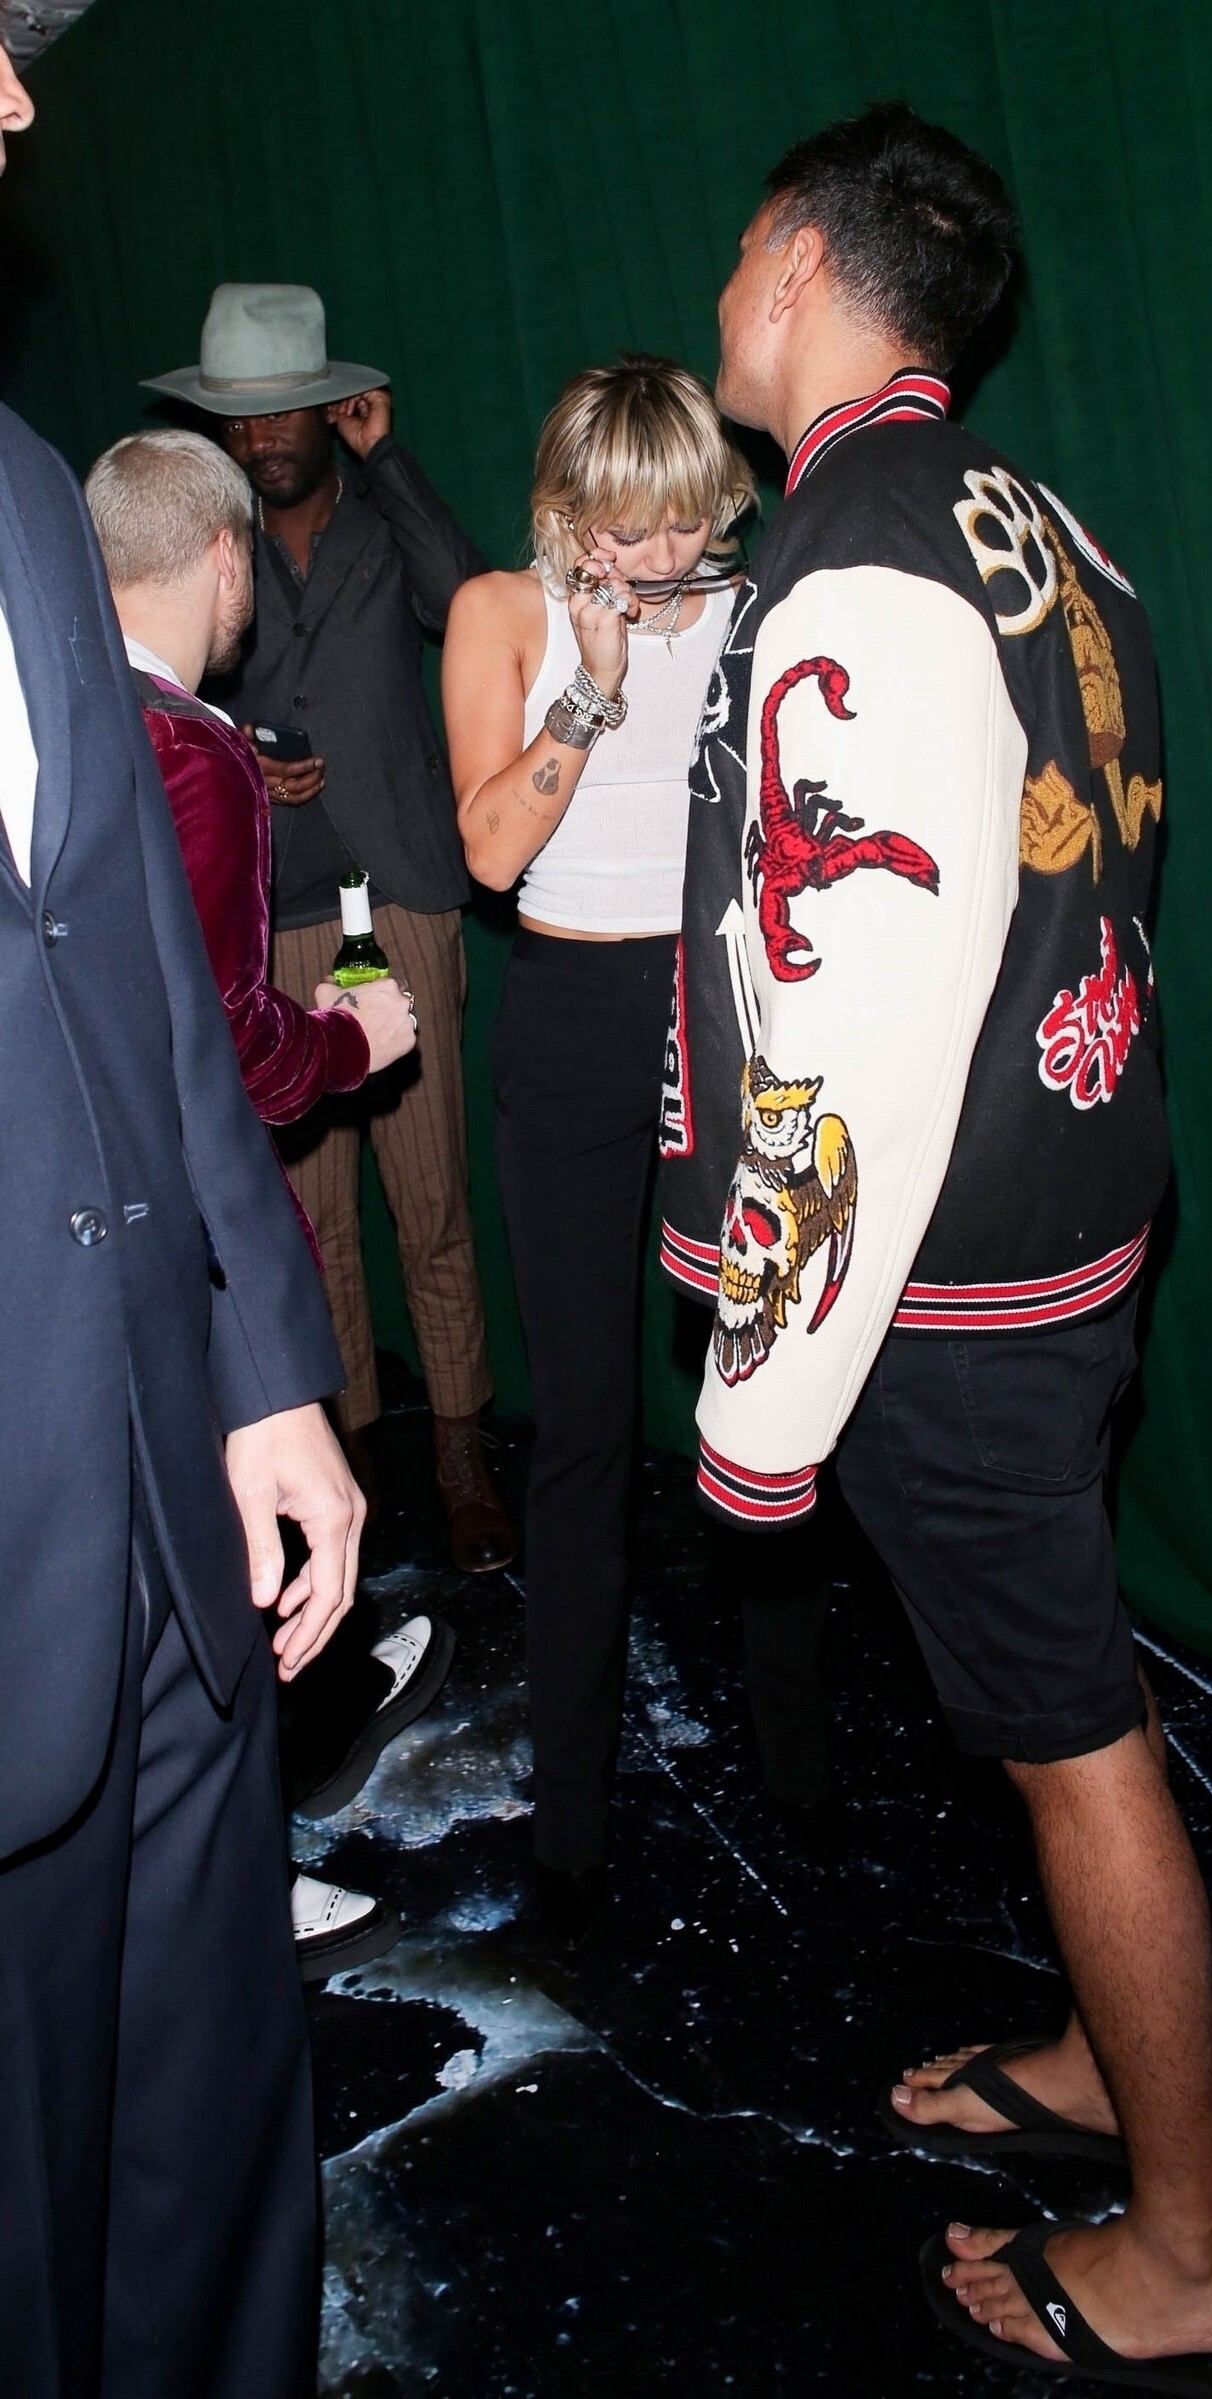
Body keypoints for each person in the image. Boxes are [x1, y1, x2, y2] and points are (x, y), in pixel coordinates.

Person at [660, 105, 1212, 2389]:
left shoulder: (856, 555)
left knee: (1067, 1739)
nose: (722, 294)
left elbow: (856, 1021)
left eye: (741, 253)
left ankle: (1193, 2253)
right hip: (1066, 1213)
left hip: (943, 1281)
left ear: (801, 264)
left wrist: (759, 1400)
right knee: (1057, 1690)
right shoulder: (1039, 525)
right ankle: (1103, 2058)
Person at [0, 47, 361, 2399]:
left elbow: (125, 960)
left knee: (208, 2160)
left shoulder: (26, 489)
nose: (19, 110)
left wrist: (262, 1372)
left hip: (162, 1514)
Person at [86, 425, 457, 1982]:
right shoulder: (192, 753)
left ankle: (302, 1732)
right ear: (225, 555)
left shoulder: (65, 719)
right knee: (219, 1547)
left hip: (71, 1243)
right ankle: (244, 1875)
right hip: (170, 1241)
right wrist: (355, 1039)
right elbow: (225, 1054)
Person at [442, 358, 774, 1931]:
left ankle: (798, 1755)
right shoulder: (500, 613)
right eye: (623, 528)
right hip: (573, 1014)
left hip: (726, 1008)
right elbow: (489, 856)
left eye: (684, 521)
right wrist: (592, 683)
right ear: (566, 511)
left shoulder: (755, 609)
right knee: (582, 1419)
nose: (656, 557)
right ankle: (571, 1809)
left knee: (764, 1389)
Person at [142, 284, 514, 1572]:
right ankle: (346, 1456)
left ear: (324, 408)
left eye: (280, 415)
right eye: (236, 423)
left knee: (433, 1199)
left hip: (401, 893)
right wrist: (235, 758)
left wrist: (388, 458)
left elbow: (467, 603)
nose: (260, 442)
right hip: (272, 913)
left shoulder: (377, 516)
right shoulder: (208, 549)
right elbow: (163, 683)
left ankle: (460, 1451)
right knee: (310, 1221)